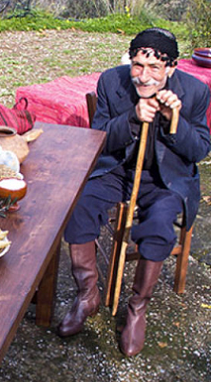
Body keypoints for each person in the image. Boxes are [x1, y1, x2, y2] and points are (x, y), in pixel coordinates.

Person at [59, 28, 211, 356]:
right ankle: (87, 296)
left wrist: (174, 121)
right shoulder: (112, 82)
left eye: (154, 68)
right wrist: (131, 117)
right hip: (117, 170)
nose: (144, 76)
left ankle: (137, 309)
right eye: (138, 65)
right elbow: (96, 139)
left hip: (164, 180)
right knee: (78, 209)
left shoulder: (196, 92)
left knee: (158, 229)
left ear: (171, 68)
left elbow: (199, 150)